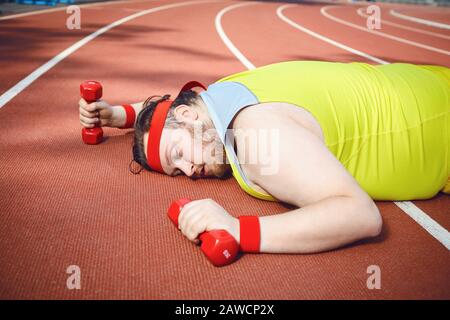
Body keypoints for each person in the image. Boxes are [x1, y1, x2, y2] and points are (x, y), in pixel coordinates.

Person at [79, 61, 450, 254]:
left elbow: (360, 215)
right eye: (177, 171)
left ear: (188, 115)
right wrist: (118, 115)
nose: (189, 170)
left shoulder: (255, 139)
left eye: (179, 154)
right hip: (427, 86)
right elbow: (161, 106)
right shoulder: (219, 96)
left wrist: (238, 229)